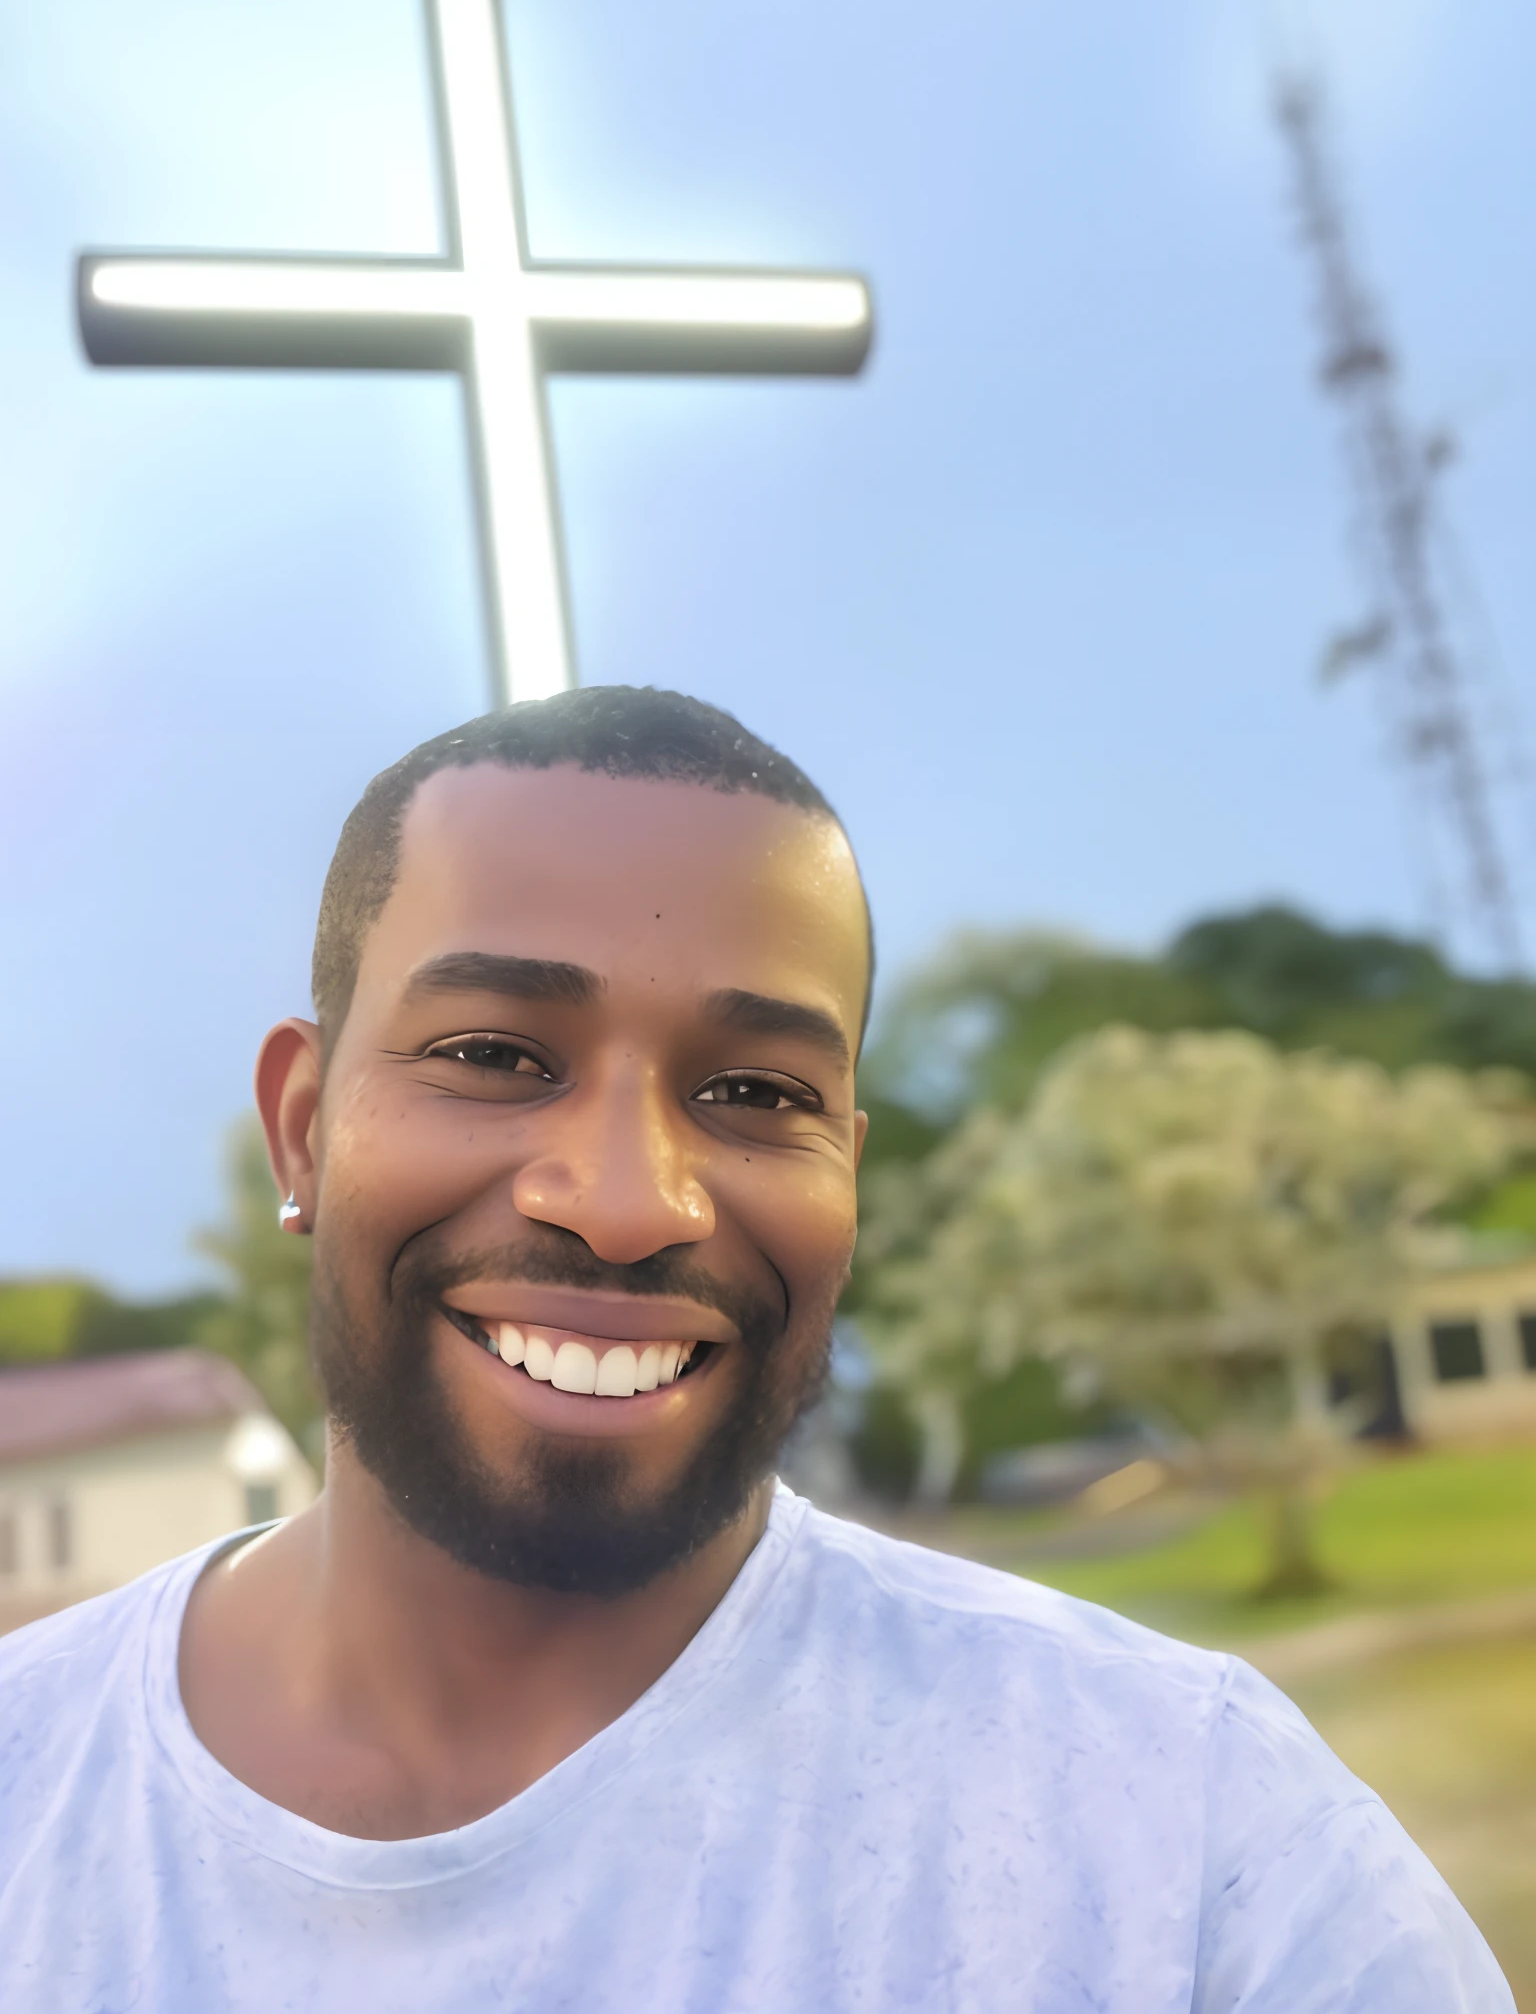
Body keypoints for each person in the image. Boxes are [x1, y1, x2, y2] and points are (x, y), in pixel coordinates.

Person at [0, 687, 1511, 2012]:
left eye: (754, 1092)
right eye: (495, 1056)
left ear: (850, 1165)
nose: (625, 1202)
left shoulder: (1194, 1841)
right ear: (302, 1124)